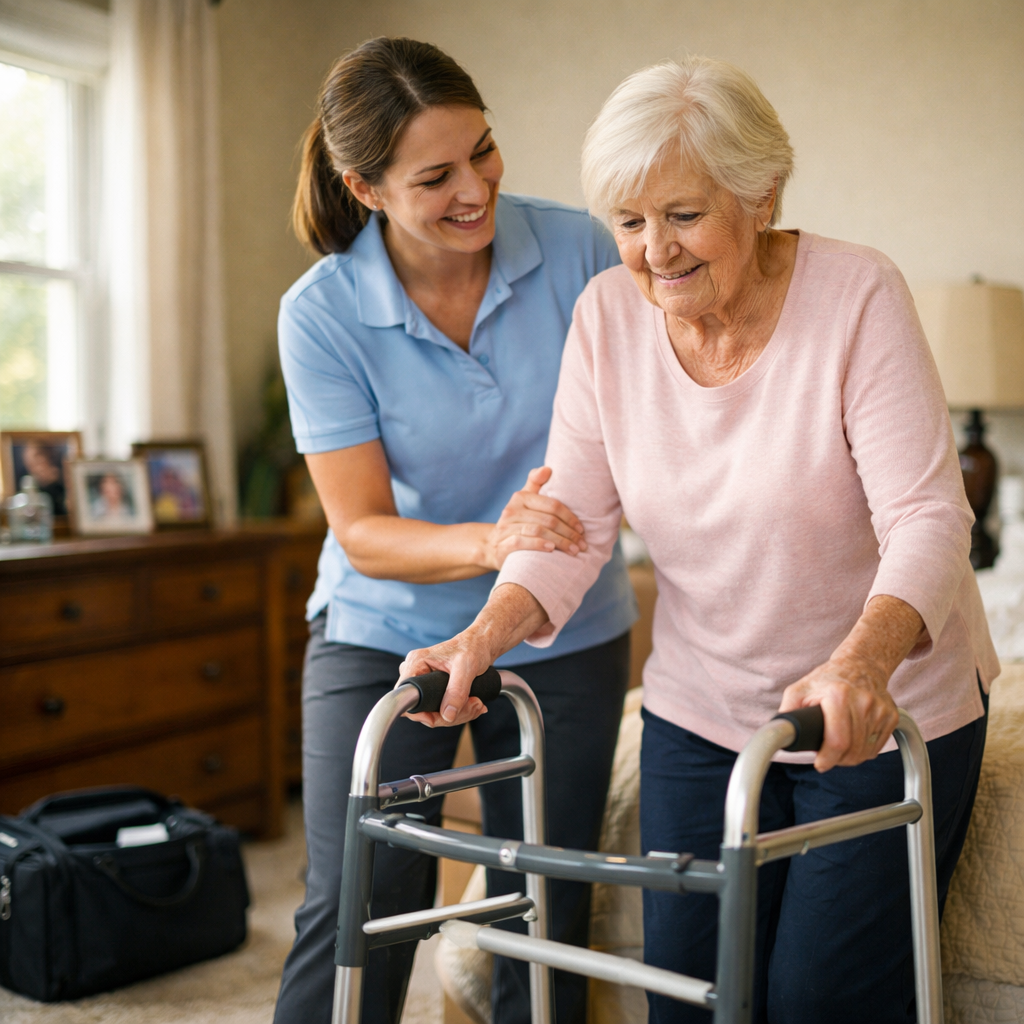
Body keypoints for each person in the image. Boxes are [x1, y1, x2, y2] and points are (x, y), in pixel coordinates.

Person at [400, 56, 998, 1024]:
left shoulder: (856, 296)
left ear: (760, 195)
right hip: (700, 709)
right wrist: (479, 640)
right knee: (688, 996)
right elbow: (572, 523)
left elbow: (929, 517)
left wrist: (858, 665)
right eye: (628, 223)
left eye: (682, 215)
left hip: (878, 710)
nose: (652, 253)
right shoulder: (605, 319)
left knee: (816, 999)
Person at [273, 37, 638, 1024]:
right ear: (366, 185)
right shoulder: (322, 313)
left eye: (483, 150)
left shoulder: (581, 252)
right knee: (358, 897)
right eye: (436, 175)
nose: (475, 186)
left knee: (548, 904)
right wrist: (492, 539)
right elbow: (361, 529)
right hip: (380, 627)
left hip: (564, 628)